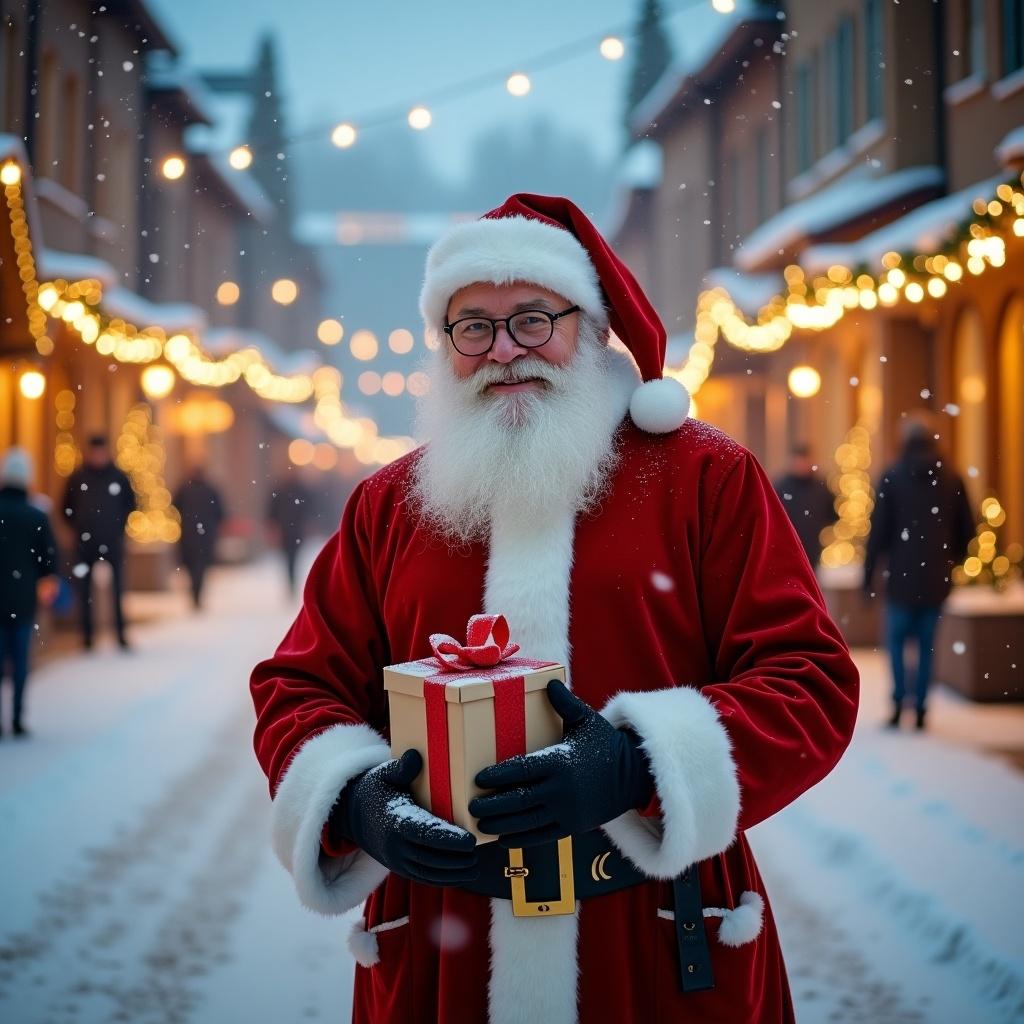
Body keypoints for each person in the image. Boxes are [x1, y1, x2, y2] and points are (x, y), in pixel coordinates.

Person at [251, 194, 859, 1023]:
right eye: (474, 327)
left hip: (656, 936)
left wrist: (639, 765)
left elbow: (809, 680)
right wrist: (357, 799)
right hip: (441, 938)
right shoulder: (389, 504)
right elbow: (298, 685)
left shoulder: (705, 479)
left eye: (533, 319)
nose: (504, 350)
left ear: (591, 326)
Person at [863, 415, 974, 730]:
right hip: (935, 579)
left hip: (900, 578)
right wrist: (949, 558)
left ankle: (899, 702)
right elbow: (967, 531)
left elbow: (879, 533)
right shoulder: (952, 478)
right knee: (927, 646)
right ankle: (922, 707)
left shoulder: (892, 476)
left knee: (896, 644)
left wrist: (868, 575)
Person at [0, 448, 58, 737]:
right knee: (20, 659)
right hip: (23, 599)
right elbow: (49, 560)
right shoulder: (36, 515)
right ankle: (17, 717)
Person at [61, 435, 136, 650]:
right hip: (86, 544)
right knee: (84, 592)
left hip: (112, 542)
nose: (98, 456)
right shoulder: (77, 478)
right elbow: (65, 507)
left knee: (118, 590)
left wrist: (118, 527)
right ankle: (87, 636)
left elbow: (131, 504)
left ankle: (120, 634)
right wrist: (78, 527)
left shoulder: (119, 477)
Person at [773, 442, 836, 567]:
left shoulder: (820, 487)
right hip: (787, 546)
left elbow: (831, 514)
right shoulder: (781, 486)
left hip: (812, 545)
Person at [173, 465, 225, 608]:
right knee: (200, 568)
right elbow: (221, 513)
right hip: (206, 536)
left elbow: (174, 505)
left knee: (192, 568)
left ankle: (195, 595)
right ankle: (197, 595)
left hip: (189, 535)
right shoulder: (211, 491)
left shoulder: (184, 489)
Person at [266, 472, 315, 595]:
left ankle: (291, 581)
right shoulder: (294, 491)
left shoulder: (284, 491)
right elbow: (272, 511)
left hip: (292, 530)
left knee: (292, 557)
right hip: (290, 530)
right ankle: (291, 581)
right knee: (291, 557)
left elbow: (272, 511)